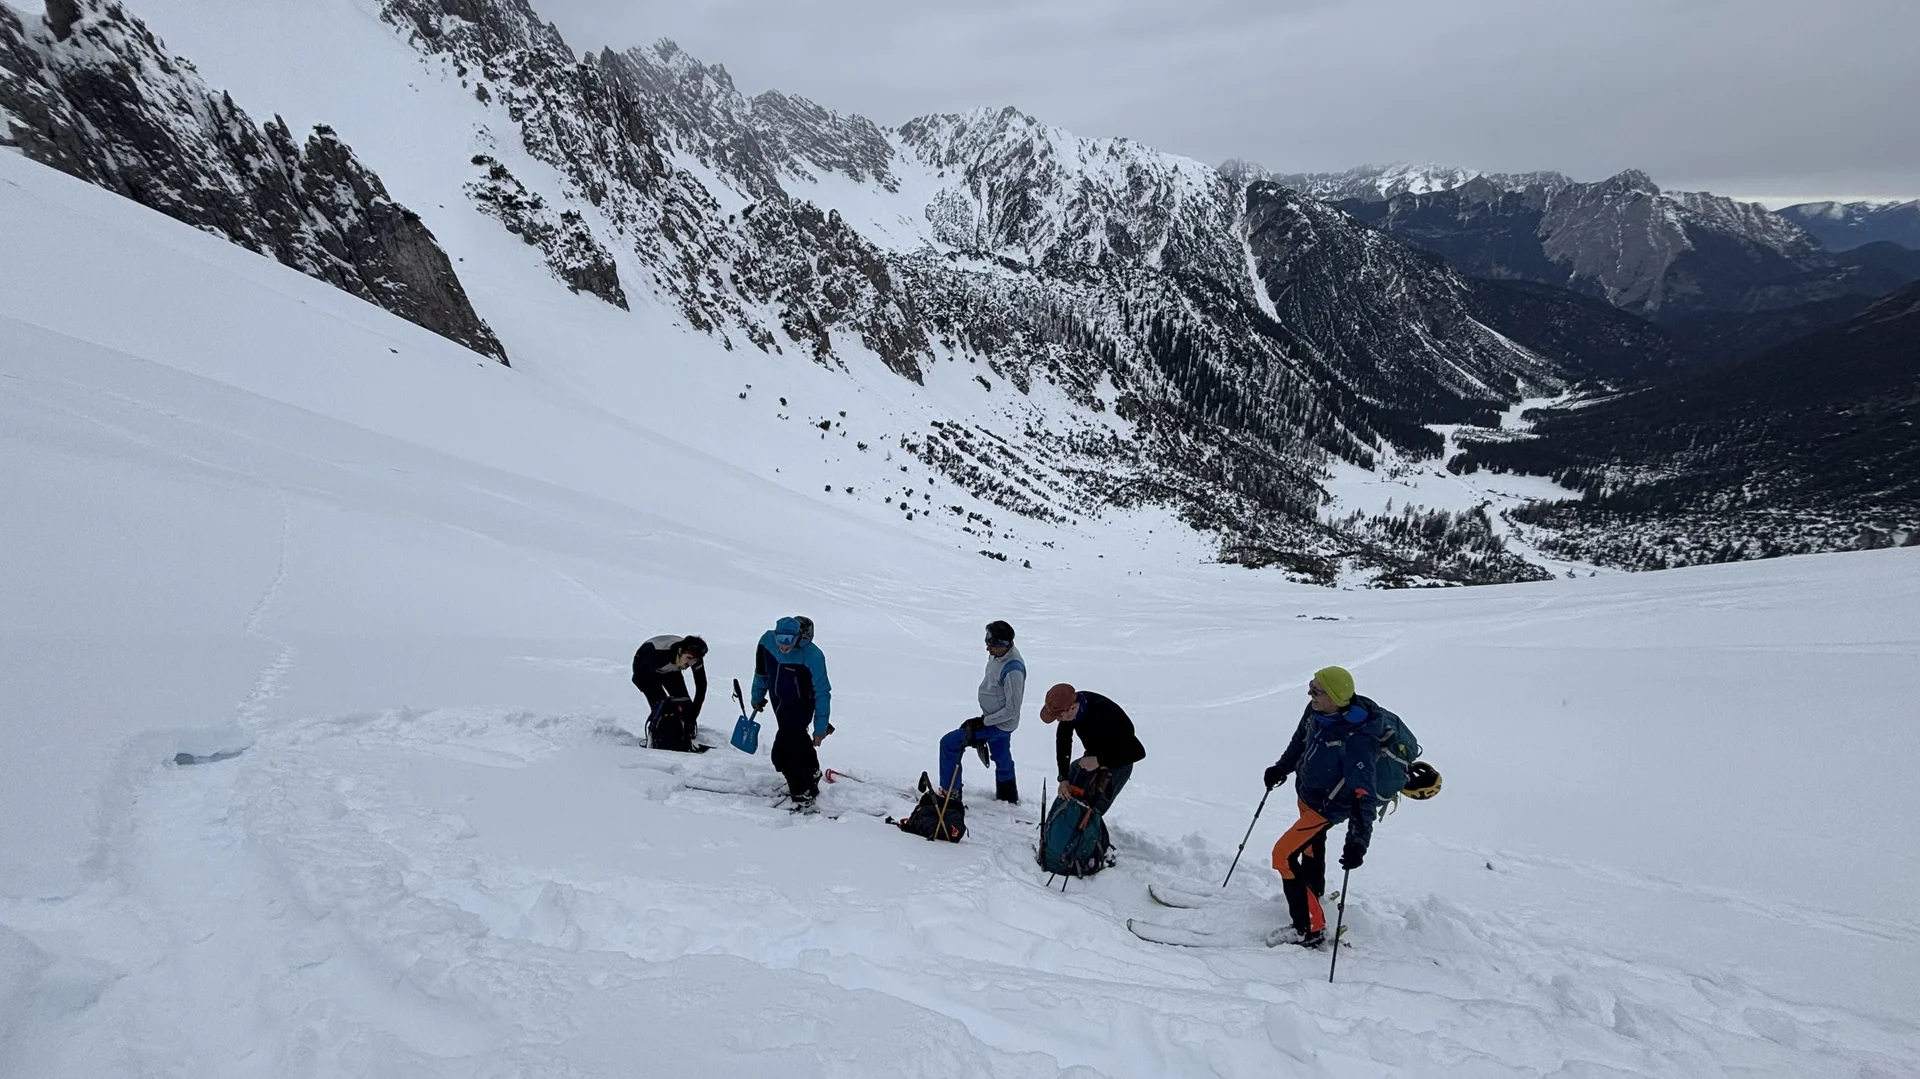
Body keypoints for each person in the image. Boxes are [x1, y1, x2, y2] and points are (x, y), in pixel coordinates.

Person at [1260, 665, 1383, 949]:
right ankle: (1313, 899)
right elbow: (1300, 742)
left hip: (1326, 808)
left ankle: (1308, 929)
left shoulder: (1358, 740)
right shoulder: (1316, 712)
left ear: (1336, 697)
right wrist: (1282, 767)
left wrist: (1358, 843)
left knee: (1282, 855)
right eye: (1310, 687)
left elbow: (1364, 796)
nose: (1309, 693)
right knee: (1310, 850)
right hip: (1307, 796)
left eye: (1316, 690)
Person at [936, 620, 1026, 804]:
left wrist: (983, 722)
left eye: (991, 644)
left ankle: (950, 793)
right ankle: (1007, 796)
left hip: (998, 724)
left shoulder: (1013, 670)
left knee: (949, 743)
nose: (987, 648)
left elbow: (1012, 709)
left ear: (1004, 645)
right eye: (986, 641)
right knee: (1001, 756)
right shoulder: (997, 655)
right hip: (992, 719)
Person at [751, 616, 833, 809]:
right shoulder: (766, 642)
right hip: (778, 703)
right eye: (781, 640)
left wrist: (820, 728)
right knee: (797, 740)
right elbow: (761, 672)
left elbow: (823, 693)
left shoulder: (812, 656)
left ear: (798, 637)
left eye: (789, 641)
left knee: (782, 753)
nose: (784, 646)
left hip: (801, 706)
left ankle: (801, 792)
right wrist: (757, 697)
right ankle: (812, 772)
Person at [1039, 683, 1145, 815]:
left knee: (1091, 811)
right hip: (1093, 756)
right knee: (1071, 782)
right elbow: (1063, 742)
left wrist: (1099, 760)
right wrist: (1063, 778)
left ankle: (1086, 831)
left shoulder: (1104, 712)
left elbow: (1137, 751)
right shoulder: (1069, 709)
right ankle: (1060, 829)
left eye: (1059, 716)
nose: (1058, 721)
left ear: (1072, 708)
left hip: (1119, 761)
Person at [632, 634, 709, 716]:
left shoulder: (695, 657)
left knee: (685, 706)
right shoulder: (658, 654)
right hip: (646, 671)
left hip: (672, 670)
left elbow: (701, 685)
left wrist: (693, 714)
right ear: (680, 651)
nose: (690, 664)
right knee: (664, 708)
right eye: (688, 658)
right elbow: (637, 678)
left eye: (694, 660)